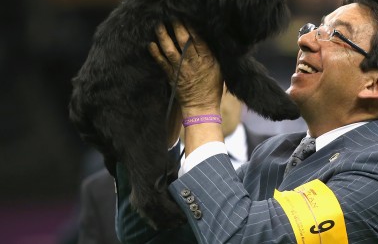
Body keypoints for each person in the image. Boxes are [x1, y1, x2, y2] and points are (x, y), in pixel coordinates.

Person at [116, 0, 378, 243]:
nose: (307, 39)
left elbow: (241, 238)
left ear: (374, 85)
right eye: (317, 27)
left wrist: (200, 109)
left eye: (336, 36)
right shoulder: (272, 155)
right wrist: (155, 118)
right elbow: (150, 236)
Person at [75, 89, 267, 244]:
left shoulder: (290, 162)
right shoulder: (101, 192)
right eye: (191, 77)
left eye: (219, 78)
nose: (211, 91)